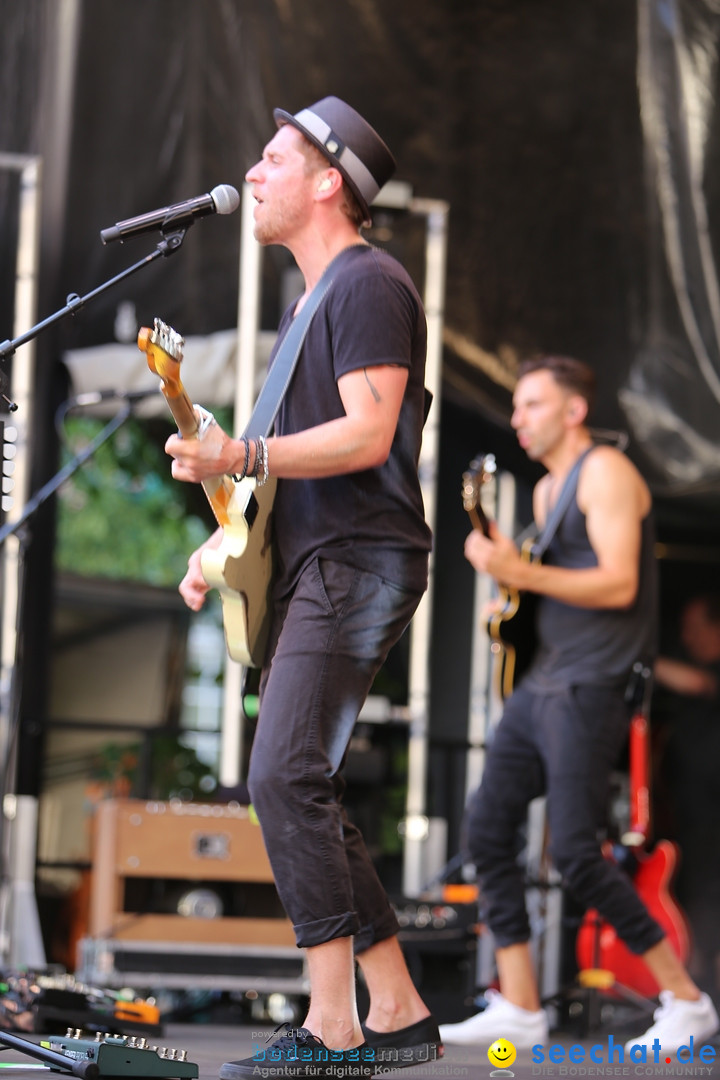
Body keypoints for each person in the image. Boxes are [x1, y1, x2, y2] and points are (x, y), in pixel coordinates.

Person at [164, 97, 440, 1079]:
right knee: (301, 779)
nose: (257, 169)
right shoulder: (309, 303)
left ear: (330, 181)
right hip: (323, 555)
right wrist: (217, 544)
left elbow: (368, 434)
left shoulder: (369, 281)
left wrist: (240, 446)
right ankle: (397, 1006)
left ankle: (333, 1026)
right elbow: (275, 473)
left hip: (362, 556)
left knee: (283, 775)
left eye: (276, 156)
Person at [438, 355, 719, 1055]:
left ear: (572, 411)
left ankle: (687, 1000)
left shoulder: (606, 474)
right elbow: (550, 587)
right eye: (515, 407)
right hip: (543, 682)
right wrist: (513, 572)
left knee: (575, 852)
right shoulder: (545, 493)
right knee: (486, 828)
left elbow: (620, 583)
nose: (517, 419)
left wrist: (518, 570)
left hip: (593, 686)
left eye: (531, 405)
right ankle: (522, 1003)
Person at [654, 593, 720, 1005]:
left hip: (715, 815)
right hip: (693, 815)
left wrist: (636, 651)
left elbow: (699, 683)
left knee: (710, 903)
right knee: (697, 900)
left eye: (694, 627)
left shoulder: (704, 675)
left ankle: (702, 1000)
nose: (686, 637)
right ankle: (701, 998)